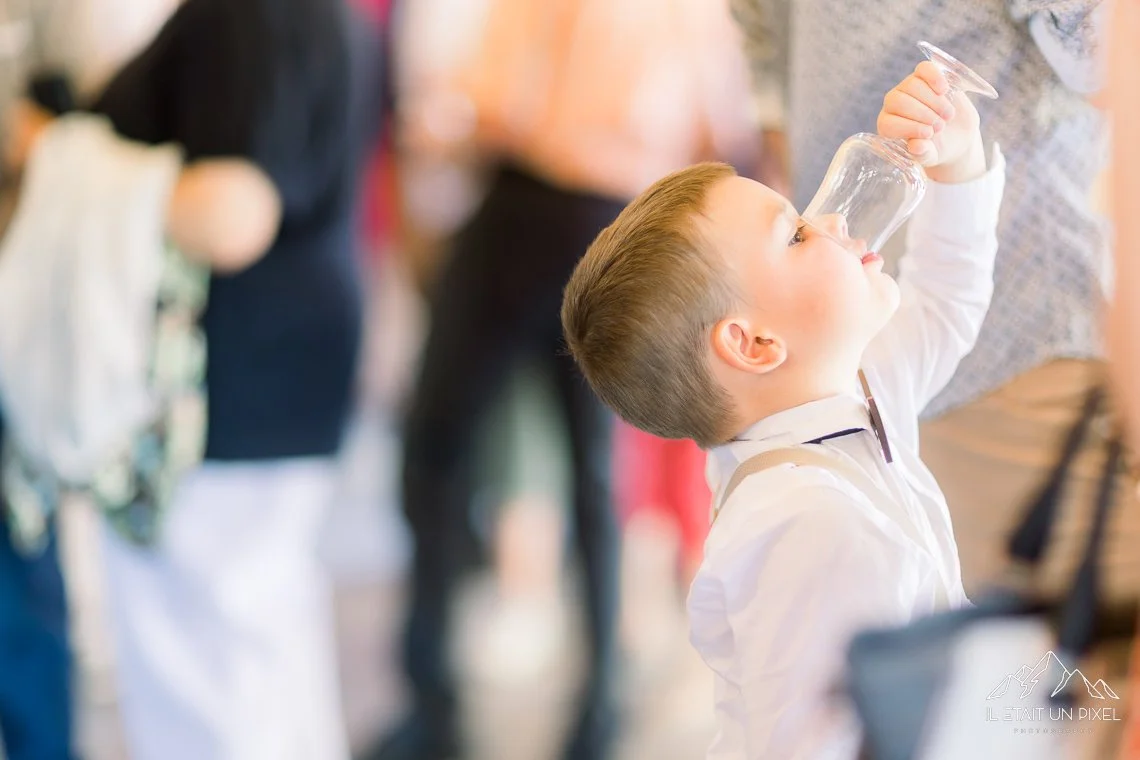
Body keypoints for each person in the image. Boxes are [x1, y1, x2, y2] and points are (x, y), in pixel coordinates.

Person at [563, 63, 1005, 758]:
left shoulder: (845, 395)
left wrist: (962, 162)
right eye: (797, 234)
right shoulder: (806, 519)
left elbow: (948, 305)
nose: (831, 219)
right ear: (756, 344)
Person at [367, 1, 755, 758]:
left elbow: (494, 102)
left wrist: (442, 121)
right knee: (595, 476)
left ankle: (432, 706)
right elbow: (723, 131)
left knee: (435, 450)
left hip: (526, 208)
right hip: (625, 225)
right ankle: (599, 709)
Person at [35, 0, 385, 757]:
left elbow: (233, 215)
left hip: (223, 387)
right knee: (261, 655)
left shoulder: (251, 15)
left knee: (205, 676)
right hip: (277, 369)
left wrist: (58, 158)